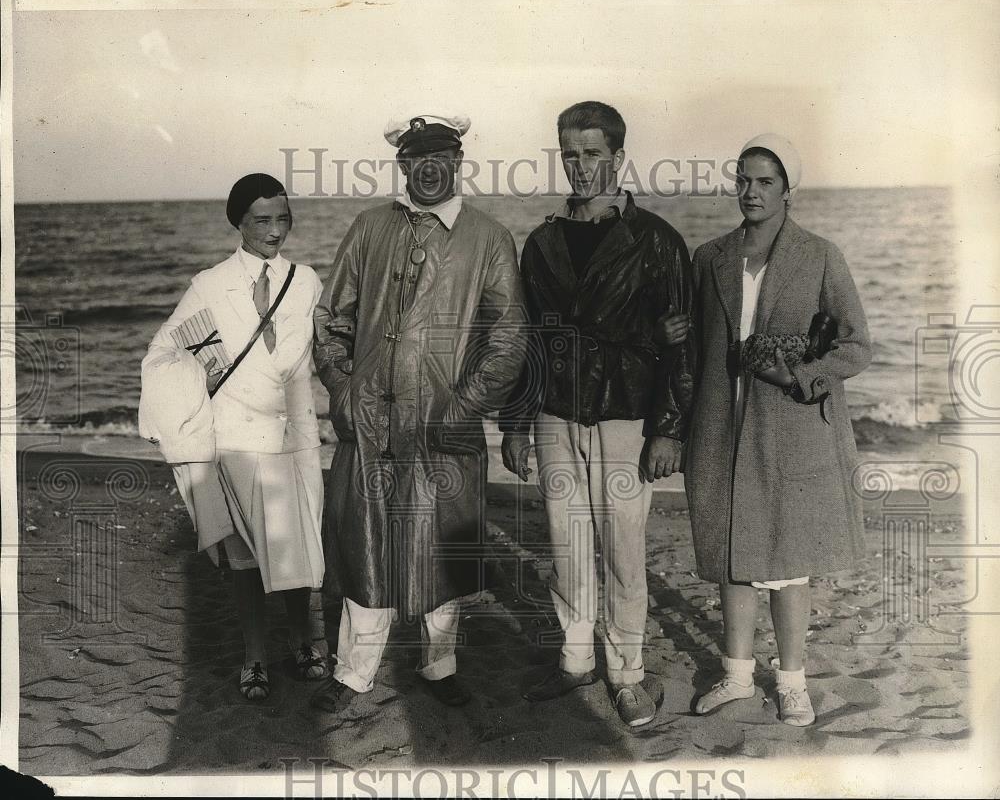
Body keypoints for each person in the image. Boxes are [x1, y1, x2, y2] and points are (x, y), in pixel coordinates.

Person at [310, 113, 527, 710]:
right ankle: (353, 674)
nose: (429, 167)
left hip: (445, 427)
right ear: (401, 165)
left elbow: (507, 338)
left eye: (441, 156)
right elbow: (332, 319)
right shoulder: (369, 226)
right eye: (416, 157)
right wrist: (344, 390)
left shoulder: (488, 238)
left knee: (443, 551)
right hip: (372, 427)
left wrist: (465, 407)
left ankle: (440, 666)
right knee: (366, 548)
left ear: (459, 163)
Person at [499, 101, 695, 727]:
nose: (580, 167)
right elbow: (526, 338)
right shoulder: (543, 241)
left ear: (617, 157)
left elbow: (681, 348)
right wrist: (515, 422)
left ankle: (629, 675)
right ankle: (576, 660)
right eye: (569, 154)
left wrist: (667, 430)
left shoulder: (657, 241)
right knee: (566, 543)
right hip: (556, 414)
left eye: (592, 153)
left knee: (622, 549)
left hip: (624, 414)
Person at [682, 134, 871, 726]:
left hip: (789, 429)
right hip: (720, 426)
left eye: (765, 181)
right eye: (743, 179)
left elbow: (856, 345)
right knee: (731, 553)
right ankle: (738, 676)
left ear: (790, 188)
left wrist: (798, 375)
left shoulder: (819, 255)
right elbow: (693, 347)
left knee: (787, 559)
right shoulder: (709, 256)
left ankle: (792, 683)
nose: (751, 191)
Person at [139, 173, 328, 701]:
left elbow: (319, 352)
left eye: (283, 219)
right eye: (262, 220)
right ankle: (253, 657)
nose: (274, 230)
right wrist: (207, 379)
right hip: (233, 438)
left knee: (295, 550)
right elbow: (164, 354)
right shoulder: (210, 283)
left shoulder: (306, 280)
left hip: (292, 435)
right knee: (245, 557)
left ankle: (302, 642)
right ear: (239, 223)